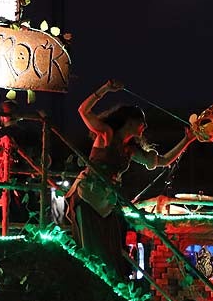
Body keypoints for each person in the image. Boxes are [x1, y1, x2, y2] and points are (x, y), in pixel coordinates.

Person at [70, 79, 197, 277]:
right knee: (93, 250)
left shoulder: (130, 149)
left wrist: (187, 140)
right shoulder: (106, 134)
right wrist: (105, 89)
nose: (144, 126)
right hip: (89, 196)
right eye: (142, 122)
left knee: (110, 251)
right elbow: (83, 111)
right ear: (130, 121)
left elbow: (163, 161)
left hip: (107, 202)